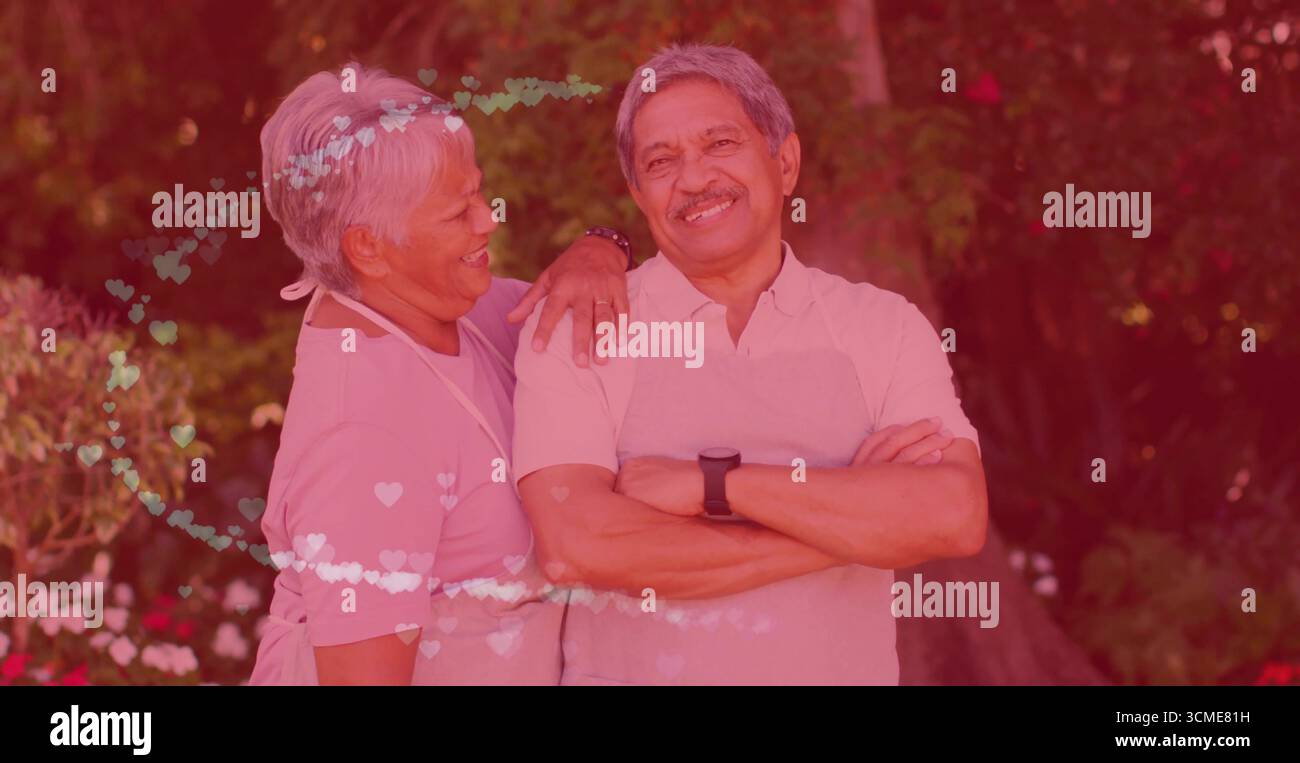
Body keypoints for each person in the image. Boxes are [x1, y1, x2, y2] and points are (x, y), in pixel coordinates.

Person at [513, 44, 989, 684]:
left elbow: (953, 515)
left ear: (785, 162)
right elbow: (576, 547)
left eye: (720, 144)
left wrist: (714, 485)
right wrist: (846, 525)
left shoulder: (882, 326)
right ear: (636, 192)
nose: (692, 178)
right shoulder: (579, 323)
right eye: (661, 161)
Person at [248, 62, 630, 685]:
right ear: (367, 247)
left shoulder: (452, 303)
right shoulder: (362, 436)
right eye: (458, 213)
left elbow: (574, 307)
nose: (488, 220)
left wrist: (602, 246)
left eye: (478, 192)